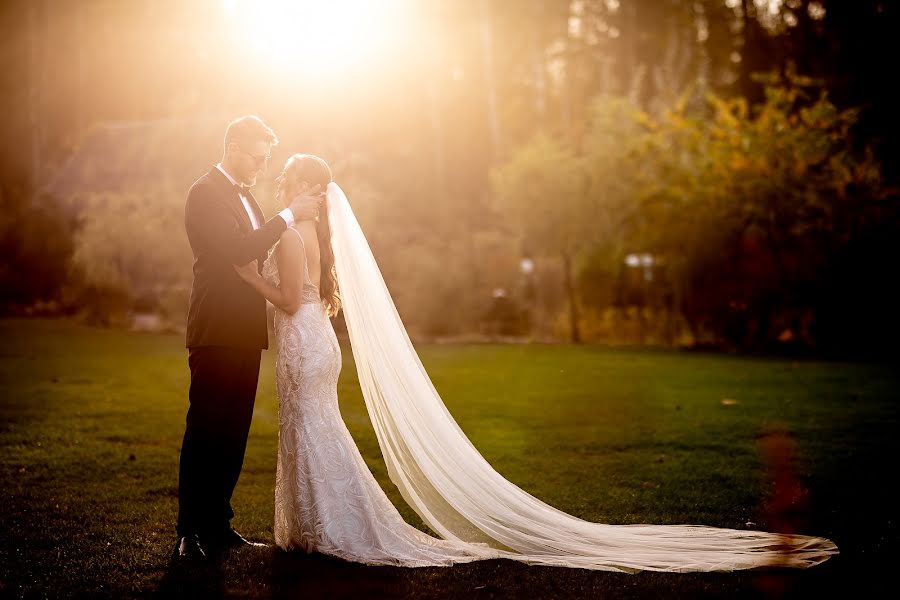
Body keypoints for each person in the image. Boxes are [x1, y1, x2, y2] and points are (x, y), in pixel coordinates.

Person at [234, 154, 839, 572]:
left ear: (301, 189)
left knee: (311, 429)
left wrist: (246, 279)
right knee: (314, 429)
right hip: (313, 341)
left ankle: (331, 530)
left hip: (303, 340)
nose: (285, 189)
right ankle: (316, 528)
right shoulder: (315, 237)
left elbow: (289, 299)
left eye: (289, 181)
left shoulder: (290, 236)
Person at [175, 116, 322, 561]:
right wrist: (289, 214)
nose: (262, 165)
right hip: (215, 329)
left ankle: (219, 523)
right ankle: (189, 531)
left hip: (245, 332)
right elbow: (240, 252)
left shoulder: (249, 199)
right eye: (258, 157)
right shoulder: (204, 194)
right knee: (205, 428)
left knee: (234, 430)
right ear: (234, 147)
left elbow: (257, 252)